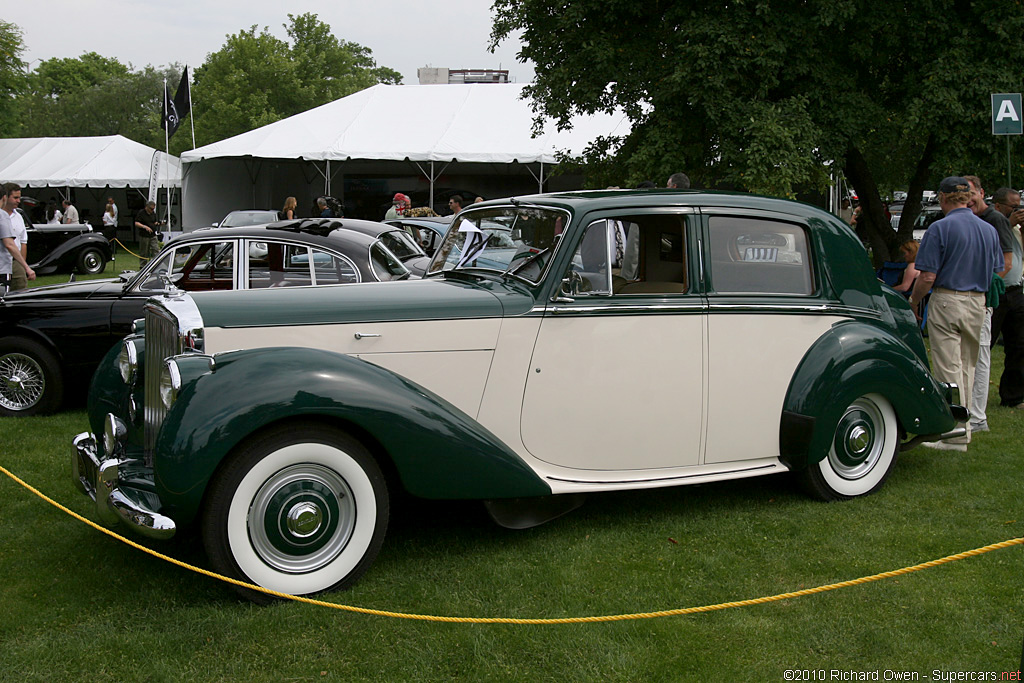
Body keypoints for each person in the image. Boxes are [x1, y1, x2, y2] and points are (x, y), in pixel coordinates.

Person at [908, 177, 1003, 451]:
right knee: (968, 366)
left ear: (944, 198)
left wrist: (914, 301)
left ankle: (956, 433)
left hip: (949, 298)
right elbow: (997, 269)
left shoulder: (940, 228)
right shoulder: (988, 230)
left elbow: (927, 276)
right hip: (979, 303)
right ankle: (966, 425)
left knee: (948, 368)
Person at [965, 177, 1018, 431]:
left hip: (994, 294)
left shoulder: (995, 220)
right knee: (978, 351)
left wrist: (984, 289)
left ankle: (982, 411)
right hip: (983, 295)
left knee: (988, 350)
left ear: (982, 193)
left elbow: (1006, 263)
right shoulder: (974, 220)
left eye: (971, 193)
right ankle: (973, 407)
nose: (968, 199)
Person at [988, 186, 1024, 411]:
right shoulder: (991, 224)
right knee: (984, 343)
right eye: (1014, 206)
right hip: (995, 290)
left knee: (1019, 345)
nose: (1018, 210)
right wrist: (1008, 222)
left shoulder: (1017, 230)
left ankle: (1014, 395)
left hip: (1016, 290)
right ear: (999, 206)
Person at [0, 184, 36, 295]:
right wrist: (27, 268)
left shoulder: (19, 216)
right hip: (3, 266)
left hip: (15, 262)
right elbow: (9, 244)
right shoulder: (2, 215)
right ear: (5, 197)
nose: (18, 201)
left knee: (20, 289)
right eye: (15, 197)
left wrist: (22, 265)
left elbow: (23, 242)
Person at [134, 201, 162, 268]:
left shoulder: (153, 214)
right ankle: (142, 266)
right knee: (144, 252)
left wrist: (158, 223)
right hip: (144, 235)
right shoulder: (141, 213)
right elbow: (136, 223)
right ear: (146, 207)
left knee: (156, 249)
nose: (152, 210)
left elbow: (154, 222)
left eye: (153, 209)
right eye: (151, 209)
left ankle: (156, 265)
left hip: (153, 234)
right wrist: (145, 227)